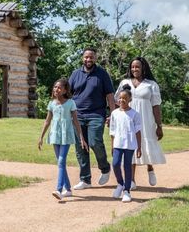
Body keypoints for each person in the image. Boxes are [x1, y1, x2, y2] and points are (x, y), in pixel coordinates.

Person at [68, 48, 116, 190]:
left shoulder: (102, 74)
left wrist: (113, 115)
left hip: (96, 115)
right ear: (82, 58)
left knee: (95, 142)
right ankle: (85, 180)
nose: (88, 60)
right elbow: (68, 94)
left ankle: (105, 168)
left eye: (91, 57)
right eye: (86, 57)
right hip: (77, 116)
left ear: (95, 58)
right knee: (80, 147)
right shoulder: (75, 74)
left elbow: (110, 96)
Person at [115, 57, 165, 189]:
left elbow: (156, 106)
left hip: (146, 119)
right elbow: (118, 101)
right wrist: (114, 117)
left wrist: (159, 126)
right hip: (128, 118)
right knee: (131, 145)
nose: (134, 69)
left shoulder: (151, 84)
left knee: (144, 144)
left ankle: (150, 168)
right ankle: (131, 180)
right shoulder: (124, 83)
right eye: (132, 67)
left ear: (143, 68)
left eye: (137, 67)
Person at [38, 78, 88, 201]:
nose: (56, 89)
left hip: (66, 135)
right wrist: (41, 137)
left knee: (61, 162)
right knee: (61, 163)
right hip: (55, 135)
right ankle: (68, 189)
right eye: (55, 87)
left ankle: (59, 190)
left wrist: (81, 137)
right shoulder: (51, 103)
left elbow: (76, 121)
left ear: (65, 90)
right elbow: (47, 121)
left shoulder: (71, 103)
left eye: (59, 87)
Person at [110, 89, 142, 202]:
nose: (121, 100)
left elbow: (138, 131)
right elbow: (112, 131)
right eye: (120, 98)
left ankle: (127, 191)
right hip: (118, 144)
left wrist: (139, 147)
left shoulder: (134, 114)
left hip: (130, 144)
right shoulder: (114, 113)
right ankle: (120, 184)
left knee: (127, 166)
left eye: (124, 98)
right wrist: (112, 145)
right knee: (115, 164)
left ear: (130, 99)